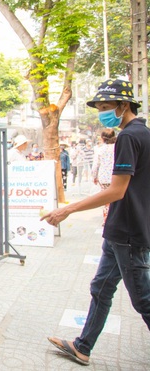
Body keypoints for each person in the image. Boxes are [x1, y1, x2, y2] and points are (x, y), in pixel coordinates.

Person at [43, 79, 150, 366]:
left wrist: (68, 210)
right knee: (101, 288)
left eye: (106, 107)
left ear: (124, 106)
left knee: (143, 300)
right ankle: (83, 346)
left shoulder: (129, 137)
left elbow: (117, 189)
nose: (102, 112)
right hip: (118, 231)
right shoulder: (142, 134)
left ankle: (83, 344)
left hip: (128, 233)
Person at [91, 128, 117, 223]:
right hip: (116, 177)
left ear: (102, 138)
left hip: (104, 178)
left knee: (106, 200)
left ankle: (106, 220)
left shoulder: (100, 149)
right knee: (117, 199)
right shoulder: (118, 148)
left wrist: (94, 177)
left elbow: (95, 165)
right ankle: (116, 218)